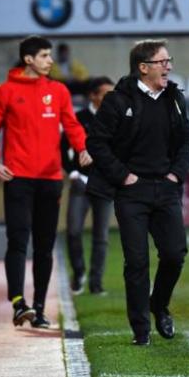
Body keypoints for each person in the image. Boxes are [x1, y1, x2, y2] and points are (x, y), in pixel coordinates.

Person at [0, 35, 90, 329]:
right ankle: (18, 303)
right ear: (28, 59)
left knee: (45, 246)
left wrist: (82, 149)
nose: (50, 61)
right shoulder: (5, 92)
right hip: (18, 178)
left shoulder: (58, 91)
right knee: (18, 240)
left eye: (50, 55)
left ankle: (39, 309)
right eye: (44, 55)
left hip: (51, 179)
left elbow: (72, 125)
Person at [86, 39, 189, 346]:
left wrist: (176, 174)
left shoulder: (174, 98)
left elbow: (186, 140)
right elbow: (97, 143)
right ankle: (141, 330)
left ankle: (158, 304)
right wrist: (123, 175)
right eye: (162, 62)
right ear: (143, 68)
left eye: (169, 61)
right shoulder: (118, 101)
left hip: (167, 187)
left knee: (174, 254)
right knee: (136, 262)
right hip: (132, 191)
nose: (168, 66)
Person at [61, 77, 115, 295]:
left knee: (101, 236)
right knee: (73, 231)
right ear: (93, 95)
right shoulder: (78, 118)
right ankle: (79, 272)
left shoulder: (116, 119)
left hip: (105, 183)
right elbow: (62, 146)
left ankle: (96, 282)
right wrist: (72, 172)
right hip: (81, 182)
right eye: (106, 94)